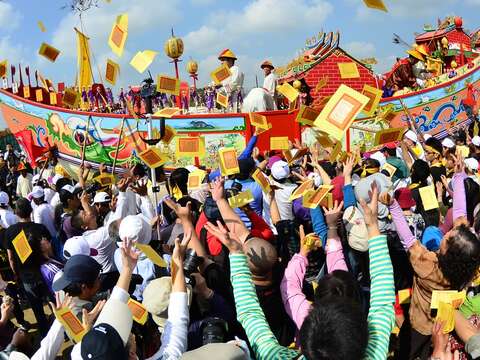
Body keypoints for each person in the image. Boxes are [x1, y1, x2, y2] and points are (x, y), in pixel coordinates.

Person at [4, 198, 52, 336]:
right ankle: (62, 329)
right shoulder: (40, 228)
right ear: (31, 211)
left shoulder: (10, 232)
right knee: (53, 303)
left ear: (16, 212)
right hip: (45, 273)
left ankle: (44, 335)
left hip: (26, 276)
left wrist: (16, 274)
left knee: (37, 308)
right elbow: (49, 250)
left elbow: (11, 258)